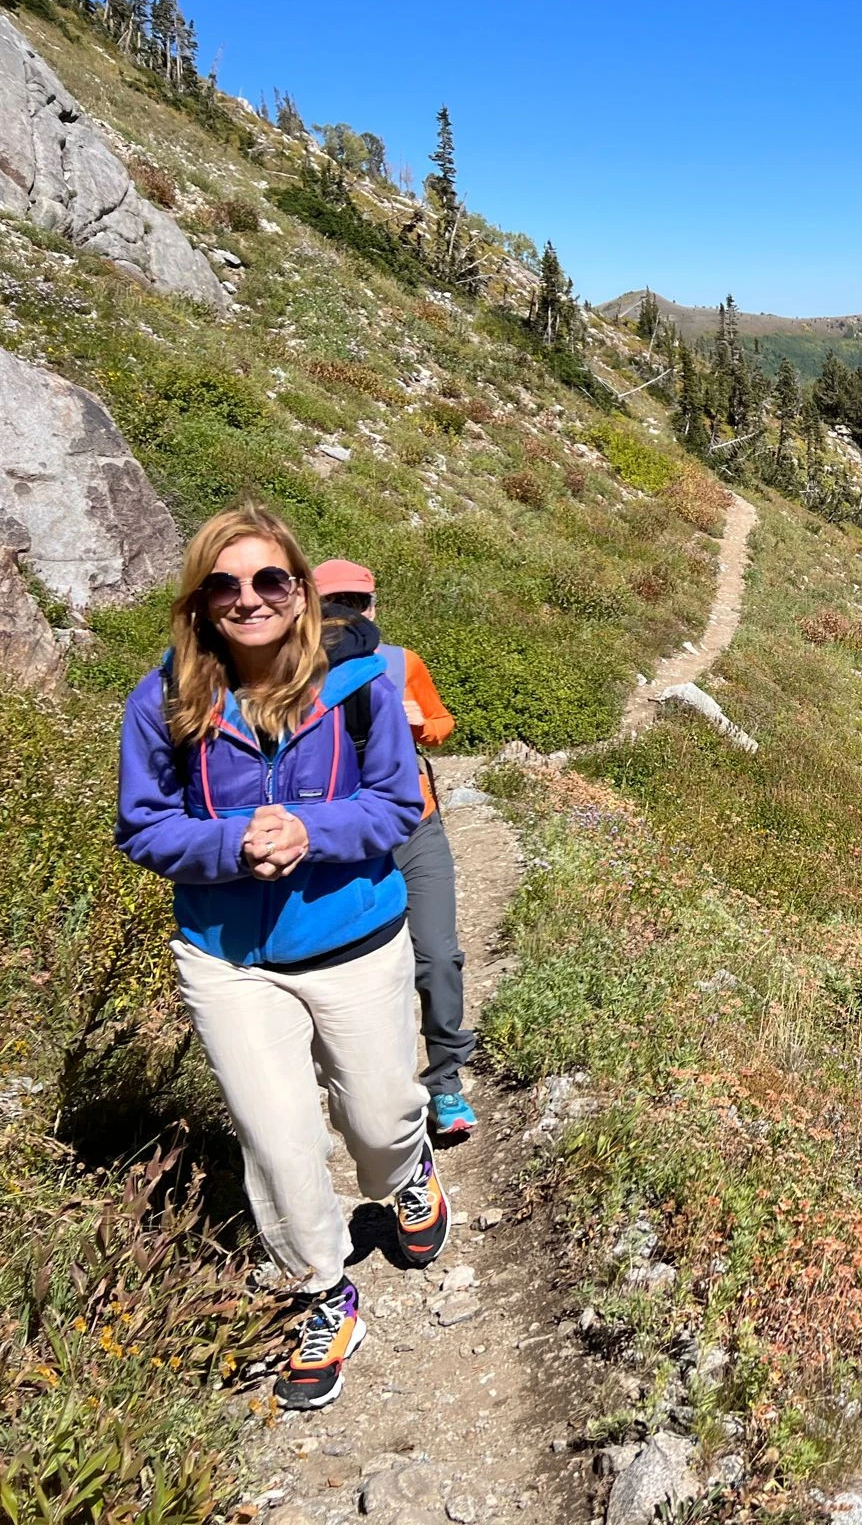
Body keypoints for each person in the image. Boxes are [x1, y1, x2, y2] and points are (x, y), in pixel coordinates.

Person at [115, 505, 449, 1412]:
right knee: (275, 1136)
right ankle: (321, 1293)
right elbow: (142, 826)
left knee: (377, 1121)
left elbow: (394, 805)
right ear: (198, 600)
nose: (249, 598)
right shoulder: (165, 700)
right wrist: (232, 849)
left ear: (300, 591)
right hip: (228, 956)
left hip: (352, 939)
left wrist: (311, 830)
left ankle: (406, 1174)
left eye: (269, 580)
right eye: (224, 583)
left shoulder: (366, 683)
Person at [311, 559, 477, 1136]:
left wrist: (421, 725)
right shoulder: (292, 674)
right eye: (336, 602)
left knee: (437, 956)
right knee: (356, 972)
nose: (350, 614)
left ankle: (446, 1084)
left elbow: (441, 721)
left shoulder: (402, 662)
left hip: (417, 826)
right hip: (347, 841)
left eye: (359, 603)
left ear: (374, 606)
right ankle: (360, 1097)